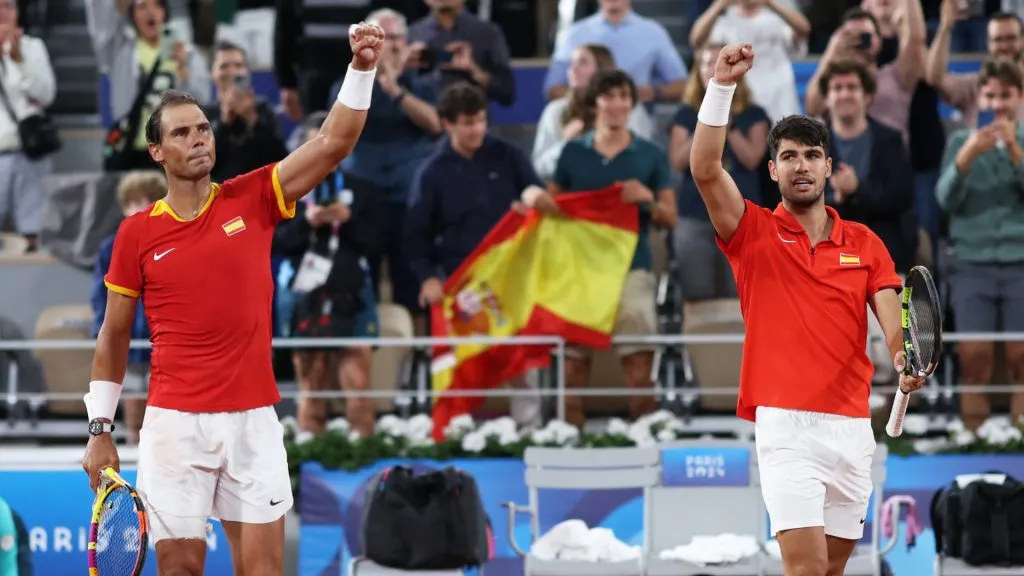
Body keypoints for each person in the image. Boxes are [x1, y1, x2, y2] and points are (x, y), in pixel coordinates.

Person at [81, 22, 385, 575]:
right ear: (156, 151)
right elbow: (115, 334)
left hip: (252, 420)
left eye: (203, 128)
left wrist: (361, 67)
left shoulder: (255, 197)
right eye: (181, 133)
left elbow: (333, 143)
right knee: (180, 572)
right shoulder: (137, 234)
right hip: (174, 425)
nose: (198, 138)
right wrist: (100, 428)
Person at [688, 43, 925, 575]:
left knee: (832, 570)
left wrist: (904, 356)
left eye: (812, 155)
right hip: (786, 425)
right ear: (772, 169)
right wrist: (721, 86)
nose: (802, 165)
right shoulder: (751, 231)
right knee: (805, 569)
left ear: (827, 167)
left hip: (850, 426)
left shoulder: (864, 241)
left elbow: (891, 312)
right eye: (790, 156)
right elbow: (704, 167)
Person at [274, 112, 382, 438]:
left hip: (352, 289)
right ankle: (310, 465)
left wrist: (347, 219)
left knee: (358, 382)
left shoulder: (363, 190)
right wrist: (309, 222)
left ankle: (363, 461)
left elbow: (378, 243)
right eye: (314, 144)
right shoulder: (286, 190)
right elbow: (276, 242)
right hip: (303, 291)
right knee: (312, 381)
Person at [90, 171, 169, 444]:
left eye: (149, 200)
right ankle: (134, 445)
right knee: (133, 396)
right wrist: (102, 331)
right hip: (128, 338)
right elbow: (100, 295)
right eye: (134, 201)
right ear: (124, 206)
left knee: (164, 406)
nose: (140, 207)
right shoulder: (109, 247)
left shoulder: (173, 242)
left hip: (165, 341)